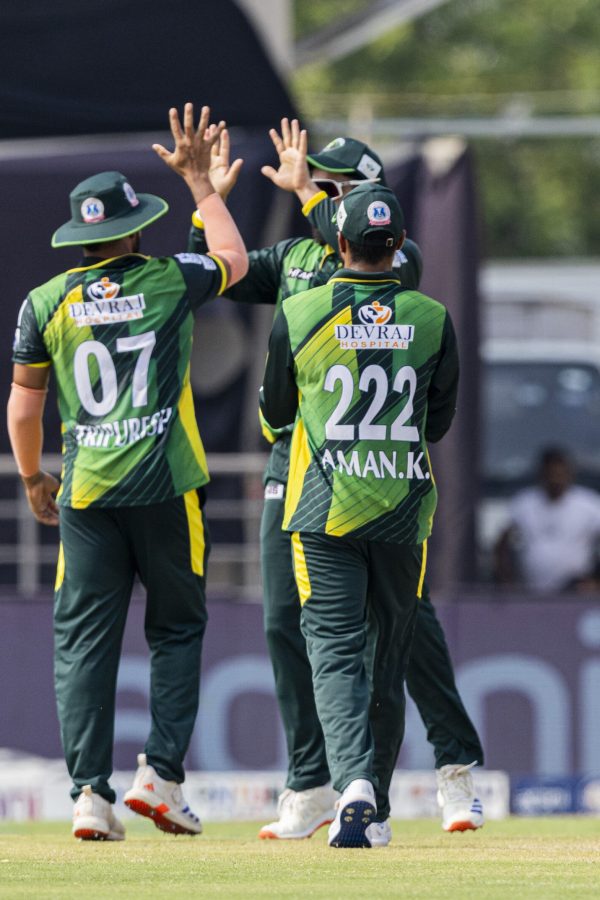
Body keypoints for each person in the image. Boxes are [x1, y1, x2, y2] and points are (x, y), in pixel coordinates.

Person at [190, 121, 484, 841]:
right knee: (287, 625)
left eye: (324, 184)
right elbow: (217, 266)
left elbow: (370, 258)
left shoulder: (398, 259)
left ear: (358, 200)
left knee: (400, 630)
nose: (306, 188)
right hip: (301, 468)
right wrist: (210, 201)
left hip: (365, 475)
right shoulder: (296, 257)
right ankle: (312, 784)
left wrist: (318, 199)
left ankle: (451, 770)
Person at [7, 103, 248, 841]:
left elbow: (22, 412)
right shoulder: (167, 279)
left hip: (85, 488)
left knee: (83, 640)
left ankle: (88, 796)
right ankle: (161, 780)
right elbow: (235, 262)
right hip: (166, 484)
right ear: (134, 228)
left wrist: (32, 480)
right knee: (176, 628)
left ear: (82, 240)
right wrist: (205, 191)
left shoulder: (45, 302)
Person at [260, 181, 459, 847]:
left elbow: (274, 415)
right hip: (403, 509)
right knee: (389, 652)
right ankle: (374, 801)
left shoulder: (302, 310)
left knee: (335, 651)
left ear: (338, 244)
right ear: (397, 246)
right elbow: (440, 419)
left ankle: (352, 787)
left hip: (325, 510)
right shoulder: (432, 317)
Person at [494, 446, 600, 592]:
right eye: (551, 474)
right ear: (542, 475)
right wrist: (506, 580)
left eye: (560, 474)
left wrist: (596, 579)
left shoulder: (589, 504)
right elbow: (502, 542)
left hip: (576, 592)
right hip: (531, 592)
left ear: (570, 474)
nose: (556, 479)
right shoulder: (524, 503)